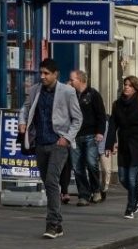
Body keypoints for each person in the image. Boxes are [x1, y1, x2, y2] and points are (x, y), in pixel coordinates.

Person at [19, 58, 82, 239]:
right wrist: (22, 123)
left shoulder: (68, 92)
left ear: (56, 74)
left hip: (58, 144)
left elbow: (78, 119)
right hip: (40, 143)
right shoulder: (35, 90)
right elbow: (25, 108)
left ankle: (52, 224)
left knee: (52, 181)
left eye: (46, 73)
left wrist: (67, 138)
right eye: (41, 72)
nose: (43, 76)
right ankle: (59, 224)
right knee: (48, 183)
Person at [105, 75, 138, 219]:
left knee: (132, 179)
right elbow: (113, 125)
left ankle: (130, 208)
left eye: (130, 85)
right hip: (124, 146)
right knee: (122, 178)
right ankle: (137, 194)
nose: (126, 87)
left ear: (136, 89)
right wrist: (109, 144)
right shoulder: (117, 104)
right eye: (125, 84)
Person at [68, 70, 106, 206]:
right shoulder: (70, 95)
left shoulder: (93, 95)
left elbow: (101, 115)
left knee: (91, 163)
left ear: (80, 80)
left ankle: (96, 190)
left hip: (90, 134)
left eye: (72, 80)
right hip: (74, 136)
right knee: (77, 166)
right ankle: (83, 194)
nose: (70, 82)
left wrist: (100, 132)